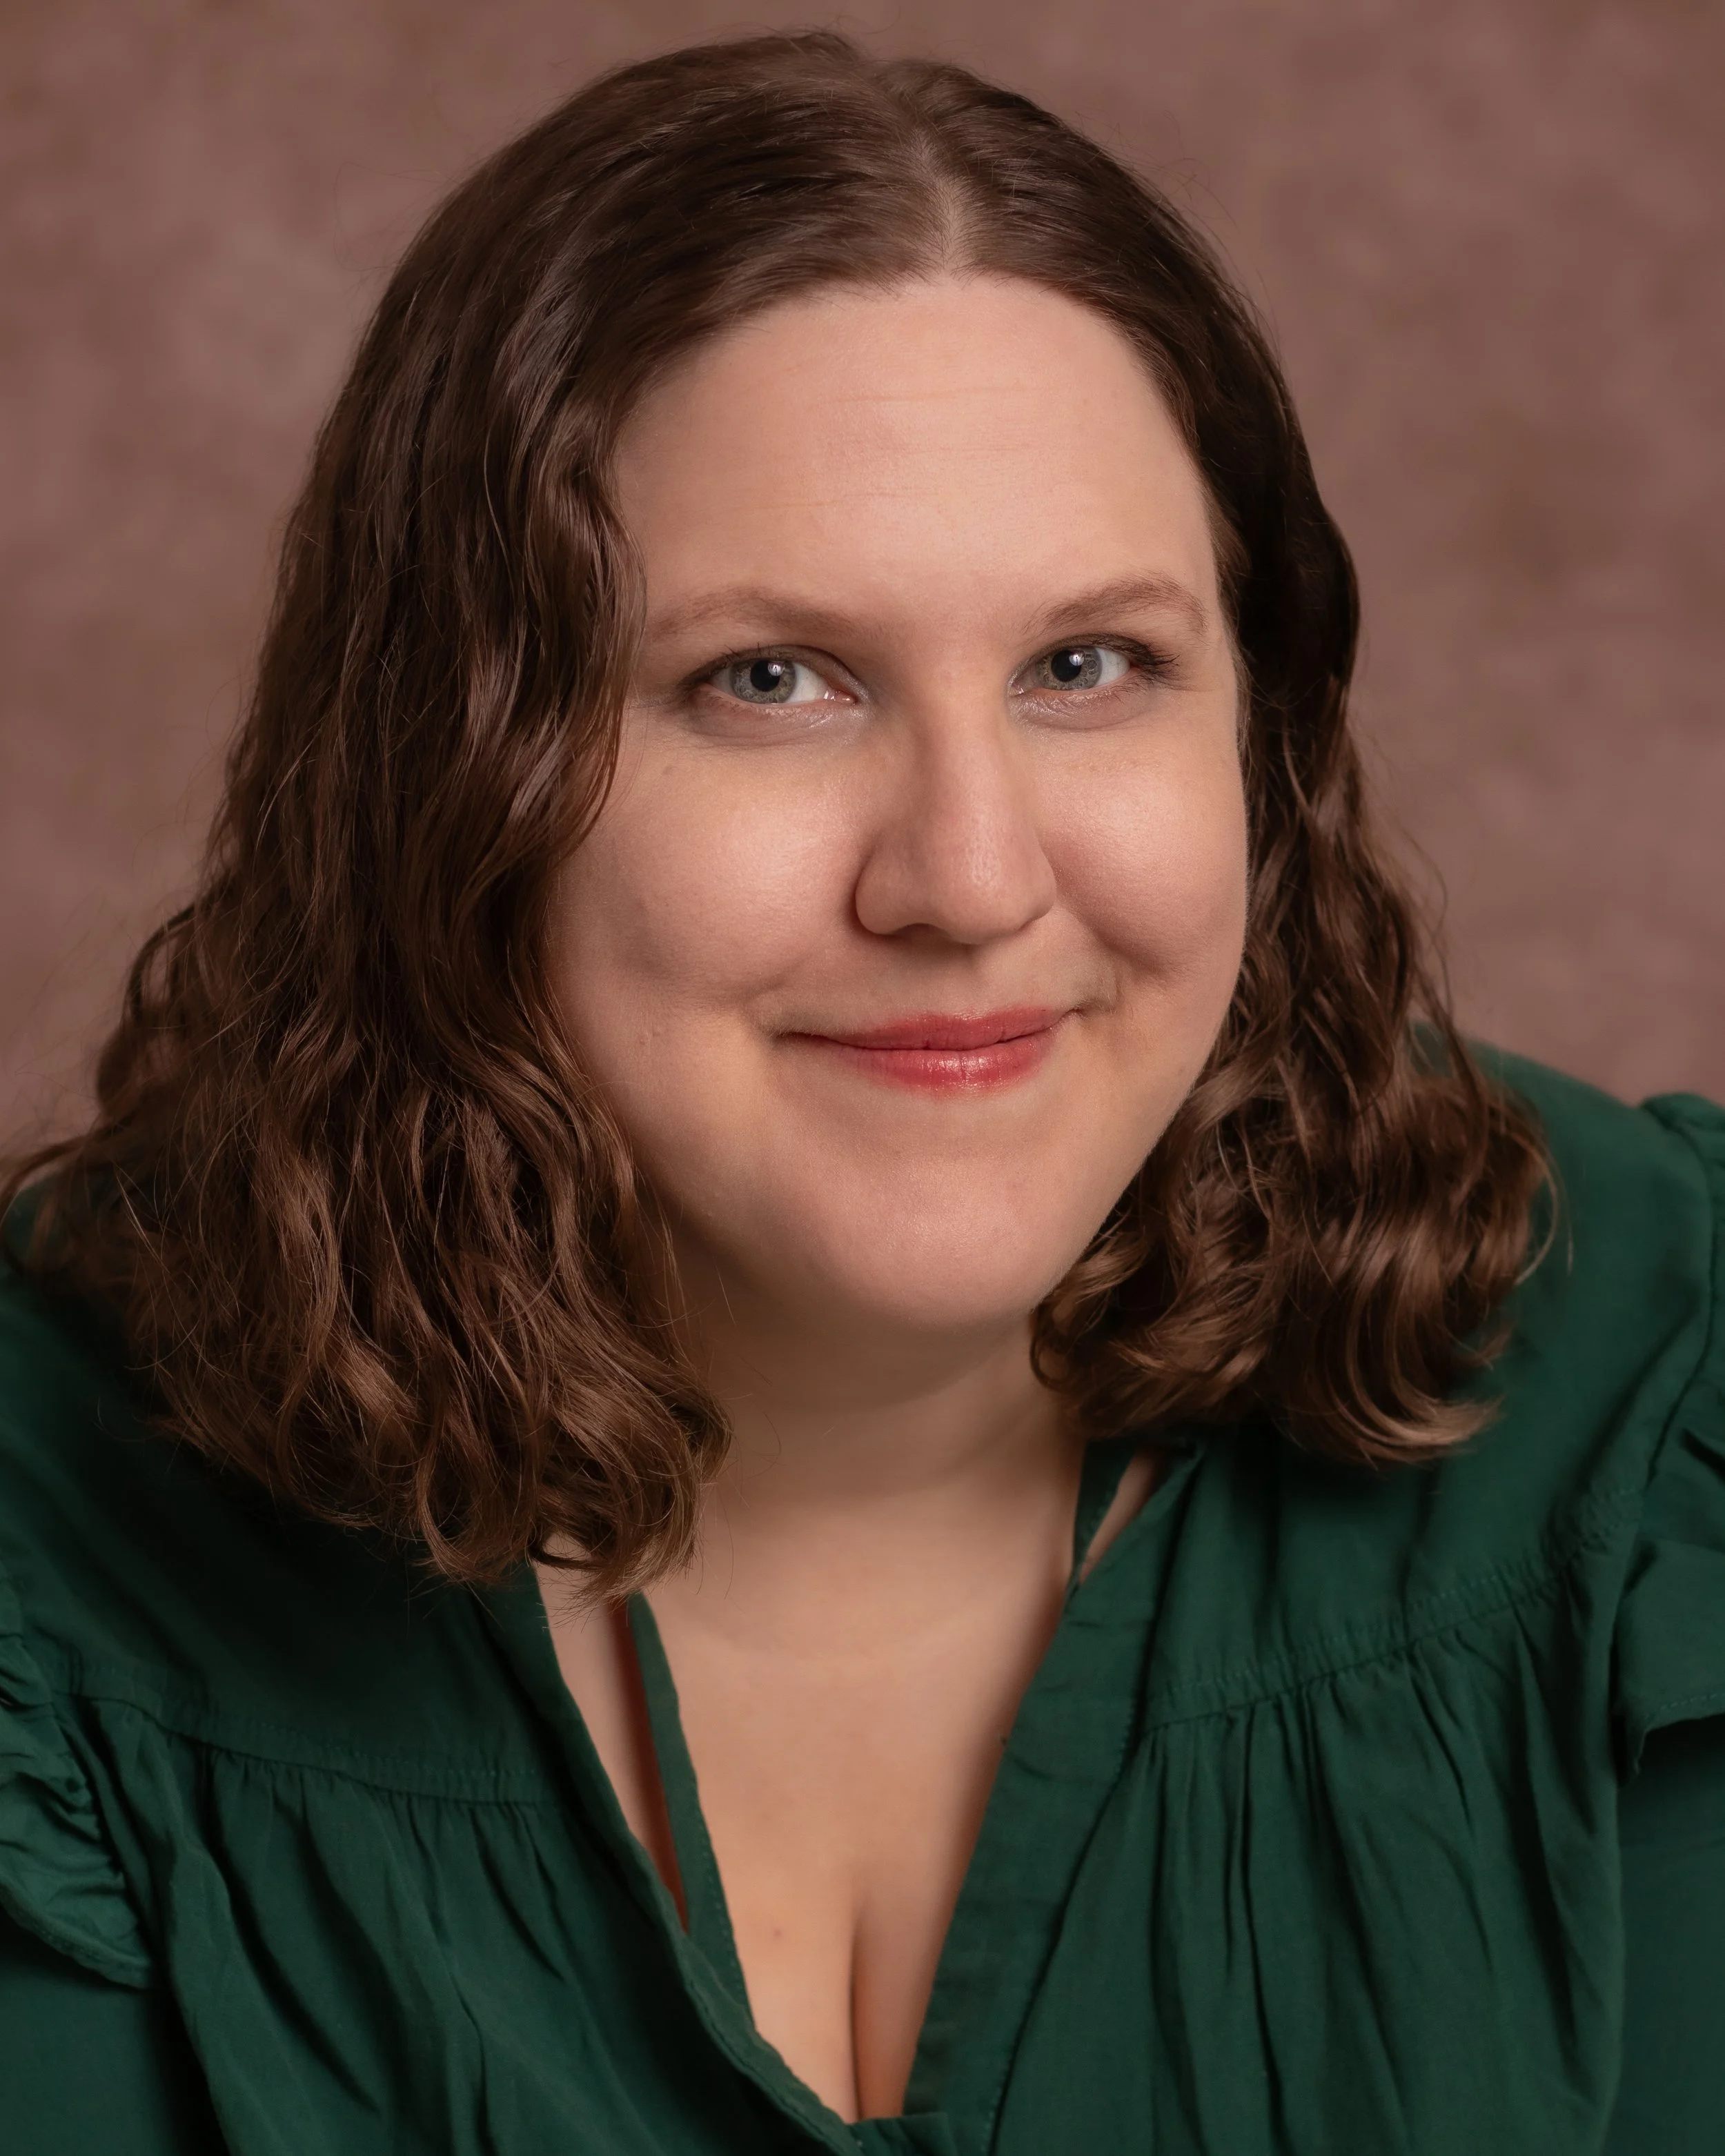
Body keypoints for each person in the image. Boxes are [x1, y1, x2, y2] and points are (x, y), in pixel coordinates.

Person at [1, 31, 1719, 2156]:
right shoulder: (38, 1563)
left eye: (1087, 665)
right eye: (768, 680)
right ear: (447, 781)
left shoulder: (1659, 1431)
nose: (972, 878)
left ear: (1256, 743)